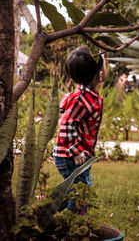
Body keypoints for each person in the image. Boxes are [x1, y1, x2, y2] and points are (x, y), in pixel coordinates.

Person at [53, 46, 106, 213]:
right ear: (100, 73)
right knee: (83, 193)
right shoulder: (81, 99)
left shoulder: (87, 97)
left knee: (71, 192)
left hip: (75, 156)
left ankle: (42, 209)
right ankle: (72, 228)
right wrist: (75, 151)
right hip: (71, 156)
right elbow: (65, 125)